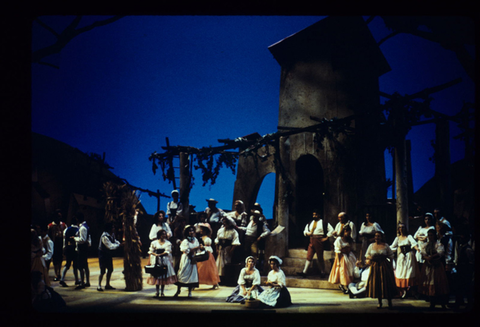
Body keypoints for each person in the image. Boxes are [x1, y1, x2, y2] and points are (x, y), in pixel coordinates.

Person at [418, 229, 449, 309]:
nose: (430, 237)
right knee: (429, 283)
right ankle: (432, 303)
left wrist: (432, 257)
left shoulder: (438, 244)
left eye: (431, 235)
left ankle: (442, 303)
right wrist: (427, 258)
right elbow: (423, 253)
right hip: (428, 266)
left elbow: (440, 253)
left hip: (437, 266)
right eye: (429, 235)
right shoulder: (425, 245)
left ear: (435, 235)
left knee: (438, 283)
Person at [297, 209, 333, 278]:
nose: (314, 216)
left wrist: (327, 237)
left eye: (315, 215)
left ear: (319, 215)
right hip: (311, 240)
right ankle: (304, 272)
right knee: (309, 256)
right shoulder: (310, 223)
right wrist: (307, 233)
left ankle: (323, 272)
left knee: (320, 257)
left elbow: (331, 230)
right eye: (313, 215)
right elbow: (305, 230)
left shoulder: (324, 222)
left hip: (319, 241)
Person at [365, 231, 397, 309]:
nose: (377, 238)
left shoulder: (385, 245)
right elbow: (367, 255)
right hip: (375, 266)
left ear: (381, 237)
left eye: (378, 236)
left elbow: (391, 255)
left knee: (386, 283)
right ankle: (380, 302)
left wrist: (390, 265)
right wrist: (370, 258)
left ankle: (389, 302)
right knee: (377, 283)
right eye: (376, 236)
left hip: (384, 266)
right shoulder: (371, 246)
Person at [390, 223, 420, 299]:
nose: (401, 229)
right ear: (398, 229)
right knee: (401, 273)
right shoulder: (397, 238)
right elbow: (392, 247)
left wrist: (418, 249)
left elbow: (414, 244)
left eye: (403, 227)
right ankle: (404, 291)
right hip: (401, 257)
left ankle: (412, 291)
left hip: (409, 256)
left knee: (409, 273)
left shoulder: (409, 237)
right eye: (400, 227)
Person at [146, 229, 177, 298]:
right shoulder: (154, 243)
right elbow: (151, 250)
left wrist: (161, 254)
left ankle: (162, 292)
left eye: (165, 234)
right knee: (157, 275)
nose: (164, 235)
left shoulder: (168, 243)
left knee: (163, 275)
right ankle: (157, 292)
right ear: (159, 235)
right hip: (156, 260)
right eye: (162, 234)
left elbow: (168, 251)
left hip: (164, 260)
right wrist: (155, 254)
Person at [174, 226, 203, 297]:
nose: (192, 232)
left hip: (193, 258)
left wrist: (200, 248)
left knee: (192, 275)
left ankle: (190, 291)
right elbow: (185, 250)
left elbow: (197, 249)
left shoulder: (195, 239)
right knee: (183, 273)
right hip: (186, 259)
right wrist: (195, 248)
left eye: (192, 230)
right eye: (190, 231)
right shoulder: (185, 241)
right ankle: (178, 290)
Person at [328, 225, 357, 293]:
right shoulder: (339, 239)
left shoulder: (349, 239)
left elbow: (352, 248)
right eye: (348, 232)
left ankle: (349, 286)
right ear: (344, 231)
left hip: (349, 256)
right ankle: (343, 285)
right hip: (342, 256)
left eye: (350, 233)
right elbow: (337, 251)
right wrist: (338, 261)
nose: (348, 234)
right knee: (343, 271)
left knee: (351, 270)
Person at [450, 230, 474, 310]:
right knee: (458, 287)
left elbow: (471, 261)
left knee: (467, 288)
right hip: (460, 270)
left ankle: (469, 304)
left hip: (465, 271)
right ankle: (458, 302)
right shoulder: (461, 247)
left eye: (462, 237)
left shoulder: (468, 249)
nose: (460, 238)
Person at [97, 222, 121, 291]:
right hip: (103, 254)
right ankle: (99, 285)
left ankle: (107, 284)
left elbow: (114, 241)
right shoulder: (104, 236)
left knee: (110, 269)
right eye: (112, 227)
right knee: (102, 270)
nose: (114, 228)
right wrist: (119, 245)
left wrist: (118, 243)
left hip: (108, 254)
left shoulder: (112, 234)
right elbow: (110, 246)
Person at [196, 223, 220, 289]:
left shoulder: (207, 239)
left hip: (207, 255)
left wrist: (203, 248)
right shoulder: (200, 238)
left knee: (209, 270)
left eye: (202, 230)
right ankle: (196, 282)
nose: (201, 231)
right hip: (200, 254)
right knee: (199, 269)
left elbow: (208, 248)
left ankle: (214, 283)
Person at [73, 212, 91, 289]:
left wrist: (74, 238)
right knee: (85, 265)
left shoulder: (83, 228)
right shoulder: (86, 226)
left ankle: (83, 282)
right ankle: (87, 281)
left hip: (82, 248)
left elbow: (82, 239)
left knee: (81, 266)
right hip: (85, 248)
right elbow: (88, 238)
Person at [60, 216, 79, 287]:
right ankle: (77, 280)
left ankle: (62, 279)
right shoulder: (78, 229)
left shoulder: (66, 229)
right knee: (75, 265)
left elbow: (64, 240)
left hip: (68, 247)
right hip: (74, 248)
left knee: (67, 264)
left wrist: (64, 248)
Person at [47, 209, 67, 281]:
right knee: (55, 259)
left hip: (61, 242)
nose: (59, 218)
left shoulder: (63, 225)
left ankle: (59, 272)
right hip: (54, 243)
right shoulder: (51, 226)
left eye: (60, 217)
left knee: (60, 258)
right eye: (58, 217)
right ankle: (56, 273)